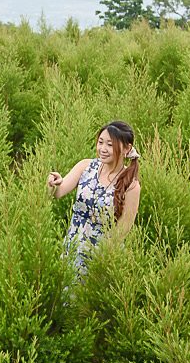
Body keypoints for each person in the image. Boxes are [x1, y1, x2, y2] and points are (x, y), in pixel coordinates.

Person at [47, 120, 141, 280]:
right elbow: (58, 193)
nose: (103, 149)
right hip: (73, 248)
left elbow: (123, 230)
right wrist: (52, 183)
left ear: (127, 148)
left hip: (101, 257)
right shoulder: (86, 166)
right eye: (100, 142)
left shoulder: (131, 185)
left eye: (110, 145)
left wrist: (100, 262)